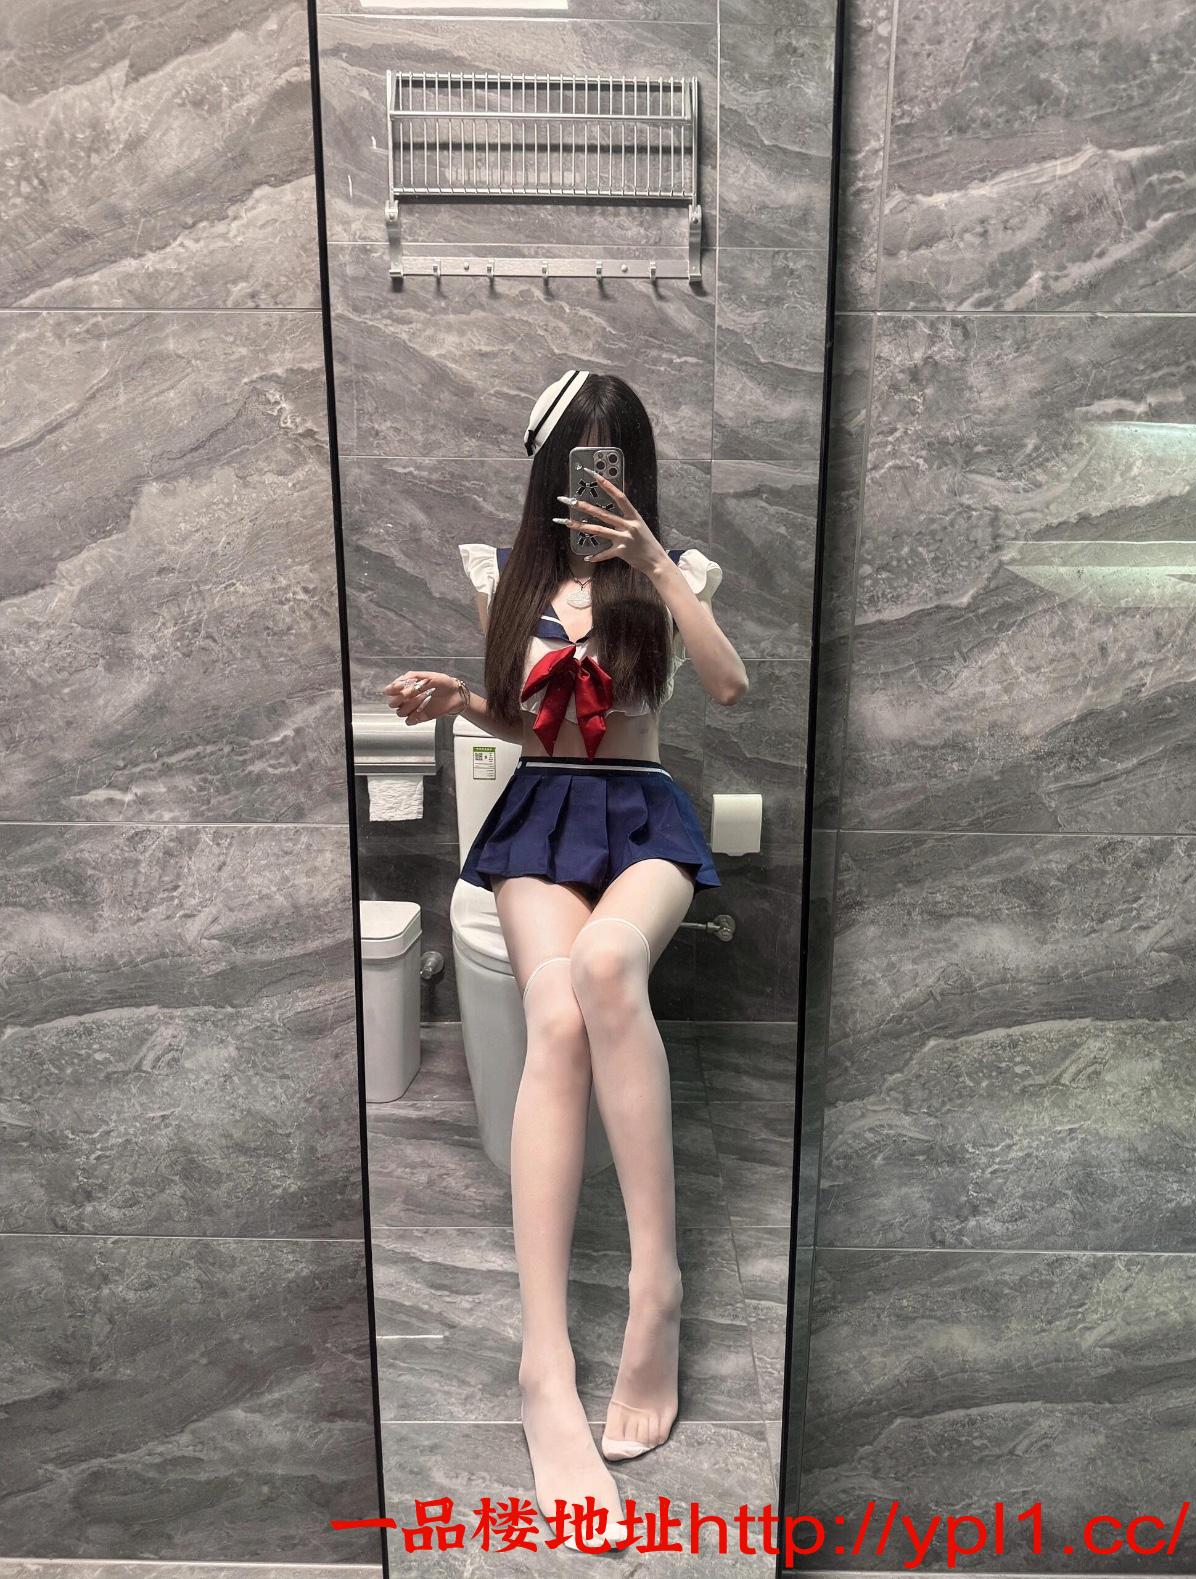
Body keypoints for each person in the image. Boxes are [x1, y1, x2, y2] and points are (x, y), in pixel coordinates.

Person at [384, 370, 748, 1548]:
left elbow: (727, 686)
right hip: (542, 816)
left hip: (642, 813)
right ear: (549, 468)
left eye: (615, 456)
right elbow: (528, 720)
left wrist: (654, 565)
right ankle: (544, 1363)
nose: (596, 476)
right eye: (580, 456)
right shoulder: (510, 579)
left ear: (635, 468)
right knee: (553, 1009)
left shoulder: (673, 575)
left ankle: (656, 1289)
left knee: (604, 972)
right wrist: (462, 700)